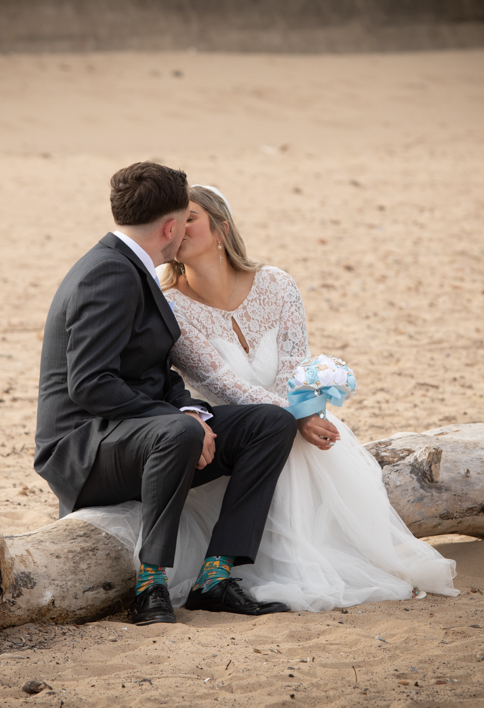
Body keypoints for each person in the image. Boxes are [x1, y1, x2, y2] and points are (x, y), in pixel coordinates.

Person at [147, 184, 460, 609]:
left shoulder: (276, 284)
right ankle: (221, 573)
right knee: (277, 436)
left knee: (312, 456)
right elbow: (223, 384)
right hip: (234, 439)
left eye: (191, 217)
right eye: (173, 221)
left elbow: (297, 364)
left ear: (221, 229)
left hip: (296, 419)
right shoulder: (172, 308)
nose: (179, 228)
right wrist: (295, 417)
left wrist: (306, 411)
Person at [35, 163, 298, 626]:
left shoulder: (131, 268)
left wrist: (191, 409)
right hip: (83, 451)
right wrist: (183, 422)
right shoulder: (109, 273)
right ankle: (150, 584)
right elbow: (89, 383)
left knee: (267, 422)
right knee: (178, 430)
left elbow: (153, 370)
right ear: (172, 227)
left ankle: (215, 577)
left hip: (133, 437)